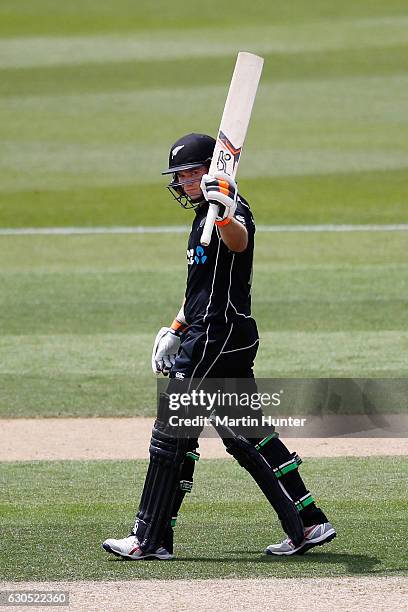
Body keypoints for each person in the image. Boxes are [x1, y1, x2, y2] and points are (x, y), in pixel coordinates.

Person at [102, 133, 336, 560]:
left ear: (212, 170)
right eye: (181, 177)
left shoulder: (230, 210)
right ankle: (307, 522)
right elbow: (201, 289)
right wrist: (176, 326)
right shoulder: (202, 216)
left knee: (171, 434)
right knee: (245, 434)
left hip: (216, 337)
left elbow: (239, 240)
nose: (186, 183)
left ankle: (148, 538)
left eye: (192, 174)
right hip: (217, 333)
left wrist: (225, 212)